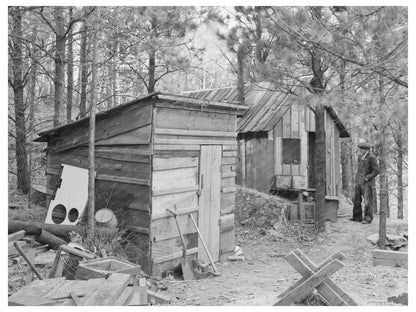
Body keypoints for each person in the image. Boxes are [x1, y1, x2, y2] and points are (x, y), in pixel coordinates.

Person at [350, 142, 379, 224]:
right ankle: (357, 217)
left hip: (366, 182)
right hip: (358, 181)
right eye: (360, 149)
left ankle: (368, 218)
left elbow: (376, 171)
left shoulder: (372, 157)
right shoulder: (360, 156)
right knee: (356, 199)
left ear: (366, 149)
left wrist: (367, 178)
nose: (360, 150)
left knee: (367, 201)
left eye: (362, 149)